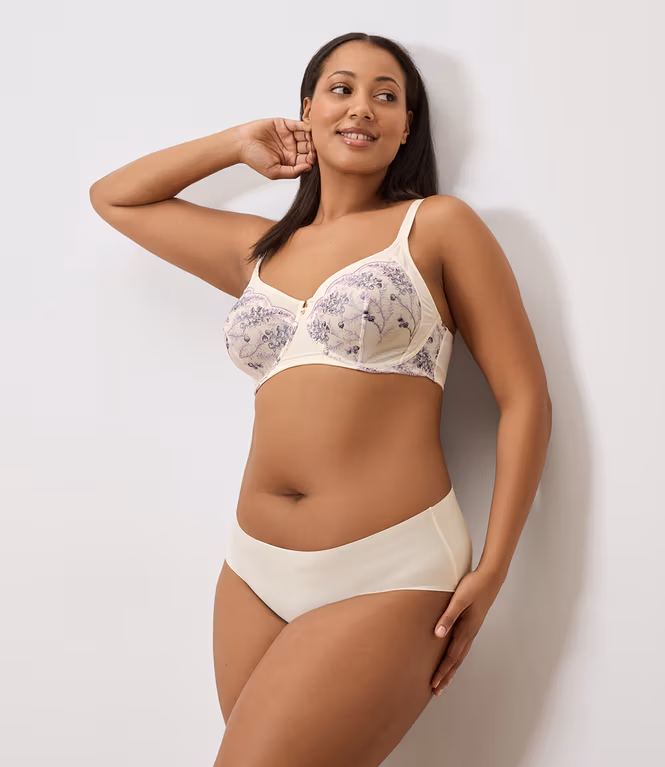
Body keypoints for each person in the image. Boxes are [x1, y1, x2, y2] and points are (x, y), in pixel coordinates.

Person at [90, 31, 552, 767]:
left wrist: (494, 570)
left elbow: (524, 397)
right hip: (252, 572)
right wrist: (236, 142)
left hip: (389, 566)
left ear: (407, 126)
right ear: (306, 109)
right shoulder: (259, 250)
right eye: (341, 89)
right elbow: (115, 197)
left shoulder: (436, 226)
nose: (361, 107)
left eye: (385, 95)